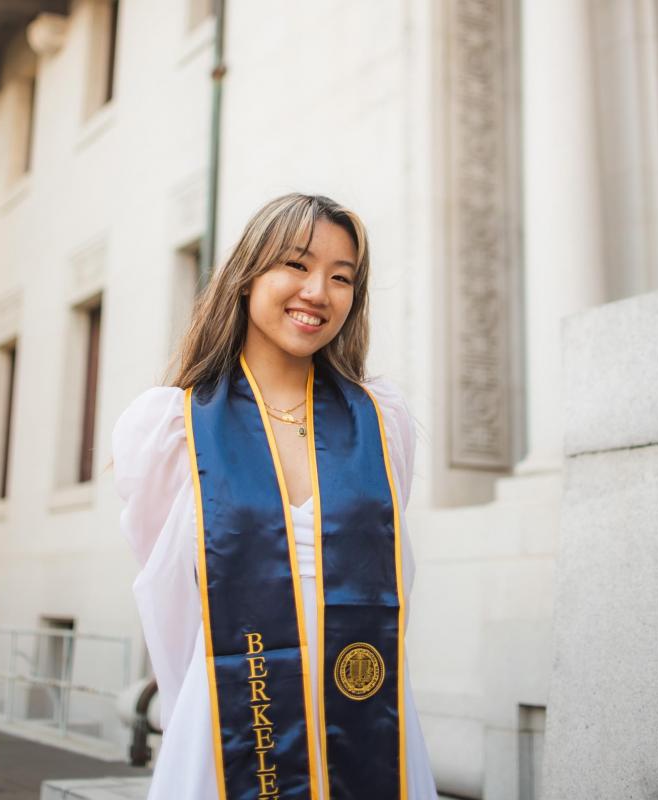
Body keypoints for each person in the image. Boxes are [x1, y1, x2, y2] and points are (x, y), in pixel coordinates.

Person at [111, 193, 438, 799]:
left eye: (342, 278)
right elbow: (167, 594)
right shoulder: (173, 429)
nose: (317, 291)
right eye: (296, 264)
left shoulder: (379, 421)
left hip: (370, 718)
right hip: (233, 722)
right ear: (247, 274)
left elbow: (393, 576)